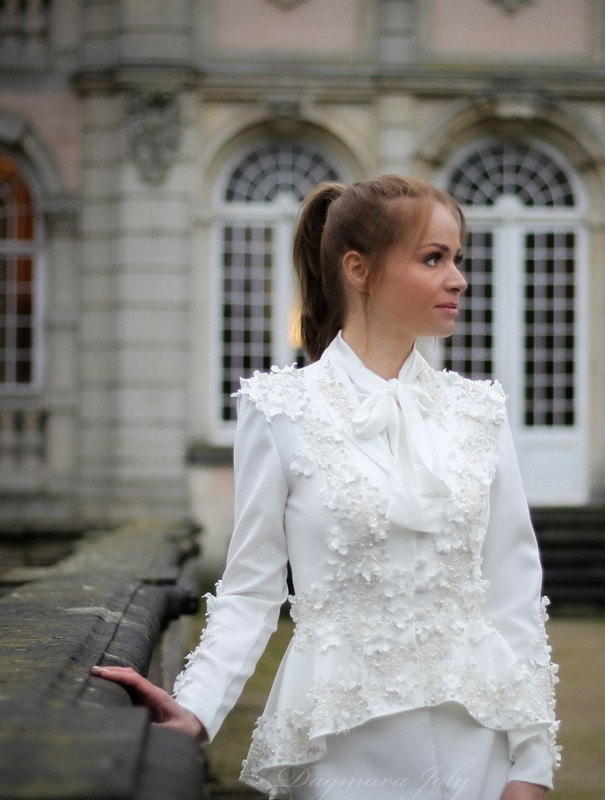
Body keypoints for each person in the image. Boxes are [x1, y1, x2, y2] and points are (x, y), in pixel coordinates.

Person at [92, 175, 560, 799]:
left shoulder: (480, 412)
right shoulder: (280, 409)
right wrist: (195, 707)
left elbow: (515, 595)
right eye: (433, 258)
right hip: (342, 745)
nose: (458, 279)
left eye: (457, 259)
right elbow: (253, 586)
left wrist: (532, 765)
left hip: (480, 741)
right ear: (358, 269)